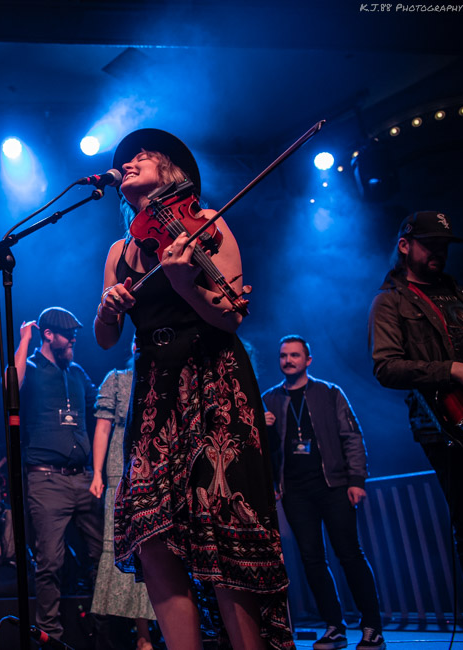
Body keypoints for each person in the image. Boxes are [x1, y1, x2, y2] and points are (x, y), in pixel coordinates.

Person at [94, 129, 292, 649]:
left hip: (212, 381)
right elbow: (108, 339)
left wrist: (186, 284)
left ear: (174, 174)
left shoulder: (209, 225)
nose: (131, 161)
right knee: (154, 530)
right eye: (127, 161)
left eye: (145, 156)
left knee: (223, 518)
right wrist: (105, 310)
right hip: (156, 390)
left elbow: (230, 319)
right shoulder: (119, 250)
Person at [262, 335, 384, 650]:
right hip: (295, 491)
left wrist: (356, 479)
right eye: (283, 356)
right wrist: (263, 428)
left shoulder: (329, 393)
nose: (288, 360)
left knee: (349, 553)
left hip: (334, 485)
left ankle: (372, 626)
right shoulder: (270, 399)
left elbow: (351, 435)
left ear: (308, 360)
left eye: (294, 355)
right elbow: (262, 450)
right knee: (311, 559)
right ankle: (334, 626)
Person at [369, 210, 463, 589]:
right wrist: (452, 370)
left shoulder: (460, 293)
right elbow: (386, 368)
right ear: (405, 246)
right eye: (430, 244)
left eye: (443, 245)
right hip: (446, 425)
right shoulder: (390, 303)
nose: (438, 252)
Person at [15, 306, 102, 642]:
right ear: (48, 335)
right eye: (68, 333)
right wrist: (24, 341)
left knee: (102, 554)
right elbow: (13, 385)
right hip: (46, 479)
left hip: (83, 478)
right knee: (50, 561)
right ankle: (49, 635)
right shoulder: (32, 368)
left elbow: (102, 407)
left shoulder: (77, 372)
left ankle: (103, 627)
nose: (73, 338)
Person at [89, 346, 155, 650]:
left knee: (158, 550)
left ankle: (166, 629)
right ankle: (143, 636)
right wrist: (98, 473)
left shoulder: (164, 379)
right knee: (128, 549)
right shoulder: (117, 379)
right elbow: (102, 429)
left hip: (158, 471)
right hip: (122, 472)